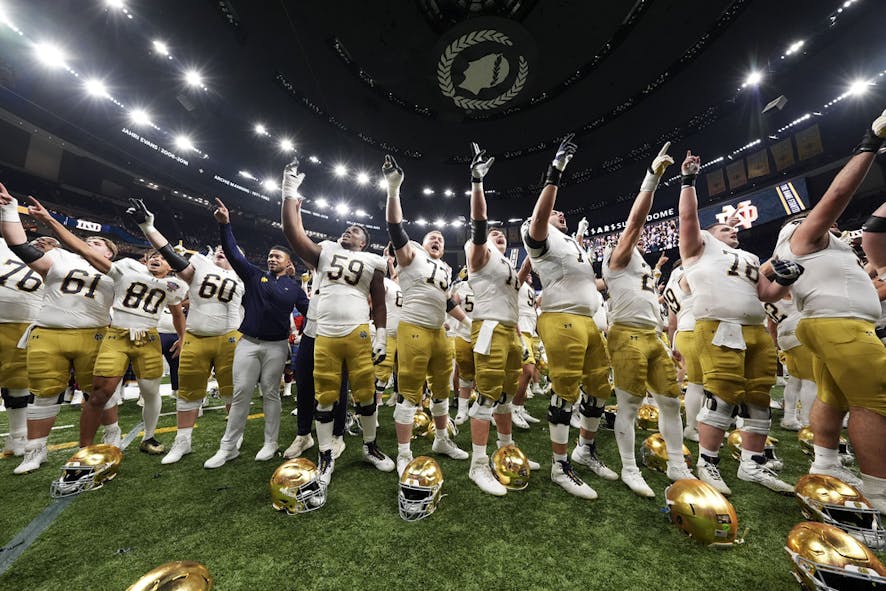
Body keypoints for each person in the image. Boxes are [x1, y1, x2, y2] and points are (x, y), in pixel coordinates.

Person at [760, 109, 886, 510]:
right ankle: (880, 493)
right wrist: (870, 142)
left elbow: (766, 290)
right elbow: (835, 197)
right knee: (875, 401)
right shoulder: (807, 236)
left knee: (833, 398)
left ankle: (826, 465)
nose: (834, 226)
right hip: (841, 325)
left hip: (824, 324)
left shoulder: (791, 252)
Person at [26, 198, 187, 455]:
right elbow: (86, 252)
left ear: (170, 265)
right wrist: (49, 221)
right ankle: (85, 448)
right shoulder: (125, 270)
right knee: (100, 392)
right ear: (144, 259)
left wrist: (183, 337)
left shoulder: (176, 286)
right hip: (117, 336)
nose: (156, 259)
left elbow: (178, 313)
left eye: (161, 257)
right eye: (152, 256)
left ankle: (149, 436)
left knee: (151, 391)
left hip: (149, 338)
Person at [678, 149, 792, 495]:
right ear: (710, 234)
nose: (732, 231)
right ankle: (707, 461)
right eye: (725, 228)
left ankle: (752, 464)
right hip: (719, 324)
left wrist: (786, 279)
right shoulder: (699, 248)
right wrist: (688, 181)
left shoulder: (749, 256)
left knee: (759, 393)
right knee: (722, 392)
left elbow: (766, 294)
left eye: (733, 228)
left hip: (755, 329)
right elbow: (687, 219)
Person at [280, 159, 395, 488]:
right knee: (326, 396)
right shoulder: (326, 250)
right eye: (348, 228)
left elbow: (380, 302)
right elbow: (292, 232)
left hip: (358, 331)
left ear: (365, 242)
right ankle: (327, 453)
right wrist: (289, 190)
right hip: (325, 333)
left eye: (356, 230)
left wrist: (382, 336)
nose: (349, 230)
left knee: (365, 393)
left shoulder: (373, 262)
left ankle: (371, 446)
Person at [521, 135, 616, 499]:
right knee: (565, 391)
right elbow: (541, 215)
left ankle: (585, 448)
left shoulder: (574, 244)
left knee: (598, 388)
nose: (560, 213)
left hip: (589, 320)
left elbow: (588, 281)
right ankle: (560, 465)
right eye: (556, 212)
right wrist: (555, 173)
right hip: (561, 318)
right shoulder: (542, 236)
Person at [602, 143, 695, 498]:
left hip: (653, 336)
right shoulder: (618, 258)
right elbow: (635, 223)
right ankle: (629, 467)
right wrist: (651, 178)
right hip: (626, 335)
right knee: (629, 404)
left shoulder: (640, 264)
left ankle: (676, 463)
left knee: (670, 401)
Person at [126, 199, 245, 464]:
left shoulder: (243, 277)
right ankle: (183, 442)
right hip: (196, 337)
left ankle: (232, 439)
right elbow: (170, 255)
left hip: (229, 338)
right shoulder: (200, 268)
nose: (220, 252)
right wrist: (149, 228)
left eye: (228, 251)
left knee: (230, 392)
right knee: (188, 392)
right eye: (218, 251)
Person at [204, 198, 309, 468]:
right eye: (270, 256)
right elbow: (233, 254)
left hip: (276, 346)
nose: (272, 258)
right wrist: (225, 226)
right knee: (241, 393)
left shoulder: (295, 288)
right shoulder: (254, 276)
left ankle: (270, 443)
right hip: (248, 343)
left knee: (271, 393)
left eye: (278, 257)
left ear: (289, 265)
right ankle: (228, 447)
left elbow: (310, 312)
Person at [383, 154, 470, 476]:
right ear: (421, 242)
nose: (437, 239)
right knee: (410, 391)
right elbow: (395, 227)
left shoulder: (445, 268)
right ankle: (404, 452)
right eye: (432, 236)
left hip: (439, 333)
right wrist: (394, 190)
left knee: (442, 390)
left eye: (442, 238)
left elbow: (449, 303)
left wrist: (469, 323)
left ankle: (442, 439)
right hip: (414, 328)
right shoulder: (410, 255)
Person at [463, 142, 539, 496]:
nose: (498, 237)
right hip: (490, 328)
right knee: (487, 397)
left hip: (510, 329)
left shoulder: (506, 264)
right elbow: (479, 224)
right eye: (495, 235)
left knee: (507, 396)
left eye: (500, 235)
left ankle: (505, 450)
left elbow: (517, 284)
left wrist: (529, 255)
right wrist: (477, 183)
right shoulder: (478, 253)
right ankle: (477, 464)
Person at [0, 234, 49, 457]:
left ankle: (18, 435)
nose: (41, 241)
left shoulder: (58, 262)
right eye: (39, 239)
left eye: (48, 241)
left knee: (17, 381)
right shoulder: (5, 246)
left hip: (23, 322)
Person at [663, 261, 704, 443]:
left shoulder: (672, 282)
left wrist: (674, 345)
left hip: (682, 331)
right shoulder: (690, 273)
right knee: (698, 383)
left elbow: (672, 322)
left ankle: (699, 424)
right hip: (695, 329)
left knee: (699, 383)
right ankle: (692, 427)